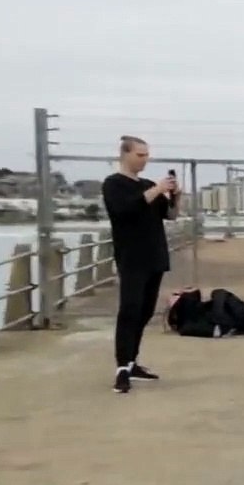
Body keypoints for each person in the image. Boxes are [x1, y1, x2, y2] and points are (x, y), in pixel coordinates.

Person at [101, 135, 178, 394]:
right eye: (140, 155)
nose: (145, 160)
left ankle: (132, 361)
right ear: (125, 155)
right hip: (131, 257)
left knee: (145, 312)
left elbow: (170, 215)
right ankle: (121, 368)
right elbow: (125, 210)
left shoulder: (146, 184)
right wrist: (157, 189)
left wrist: (175, 196)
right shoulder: (113, 185)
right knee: (130, 310)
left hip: (154, 255)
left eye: (147, 155)